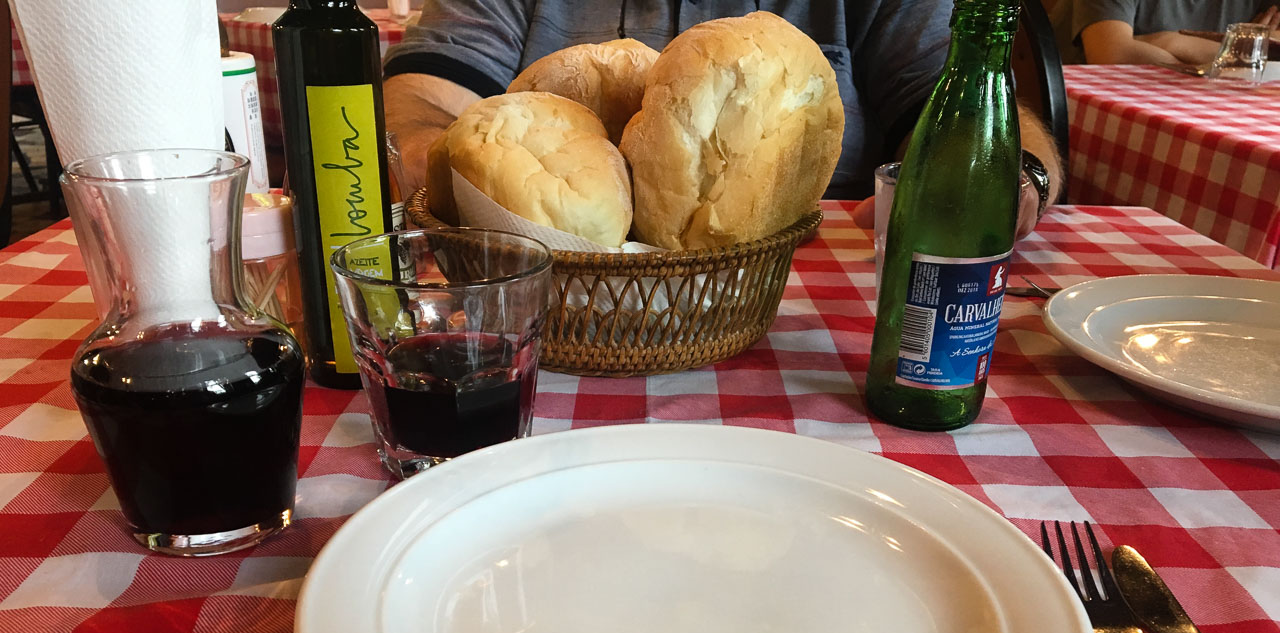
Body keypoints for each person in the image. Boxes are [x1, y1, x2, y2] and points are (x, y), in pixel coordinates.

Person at [383, 0, 1065, 238]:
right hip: (550, 311)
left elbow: (957, 99)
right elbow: (427, 89)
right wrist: (424, 159)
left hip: (802, 316)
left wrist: (1014, 176)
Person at [1053, 1, 1280, 66]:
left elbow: (1275, 57)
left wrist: (1170, 42)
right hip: (1084, 125)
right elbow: (1112, 54)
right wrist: (1246, 50)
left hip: (1200, 121)